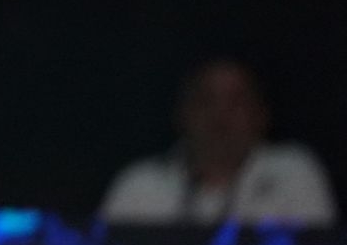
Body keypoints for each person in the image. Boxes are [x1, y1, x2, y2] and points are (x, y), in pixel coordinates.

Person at [101, 56, 337, 225]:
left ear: (261, 114)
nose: (220, 115)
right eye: (206, 101)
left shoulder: (293, 173)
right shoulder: (140, 185)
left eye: (236, 102)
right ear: (182, 113)